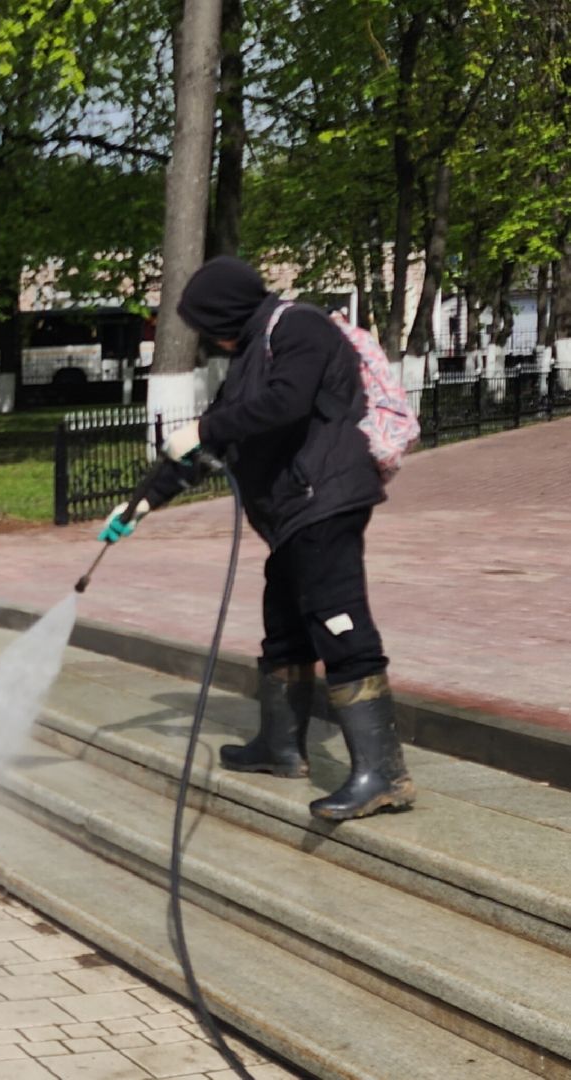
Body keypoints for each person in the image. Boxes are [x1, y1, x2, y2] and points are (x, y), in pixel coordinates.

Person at [101, 256, 413, 821]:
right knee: (285, 622)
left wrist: (205, 427)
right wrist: (140, 504)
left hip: (327, 501)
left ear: (226, 314)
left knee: (339, 624)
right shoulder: (252, 352)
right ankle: (280, 746)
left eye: (206, 324)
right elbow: (207, 446)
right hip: (295, 511)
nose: (208, 338)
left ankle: (382, 773)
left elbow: (286, 403)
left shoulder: (300, 328)